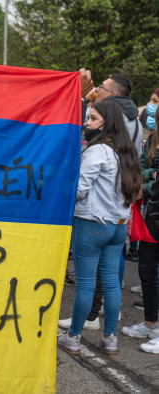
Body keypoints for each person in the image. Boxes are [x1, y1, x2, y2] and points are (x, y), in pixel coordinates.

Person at [57, 100, 142, 356]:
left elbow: (80, 190)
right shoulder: (126, 152)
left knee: (85, 286)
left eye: (93, 118)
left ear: (106, 122)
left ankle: (73, 337)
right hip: (118, 228)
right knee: (112, 284)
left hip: (92, 225)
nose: (87, 123)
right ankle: (110, 338)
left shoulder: (97, 151)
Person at [123, 107, 159, 353]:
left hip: (151, 204)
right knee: (146, 271)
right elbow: (142, 168)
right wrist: (151, 178)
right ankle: (150, 323)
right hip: (151, 214)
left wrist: (146, 186)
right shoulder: (153, 138)